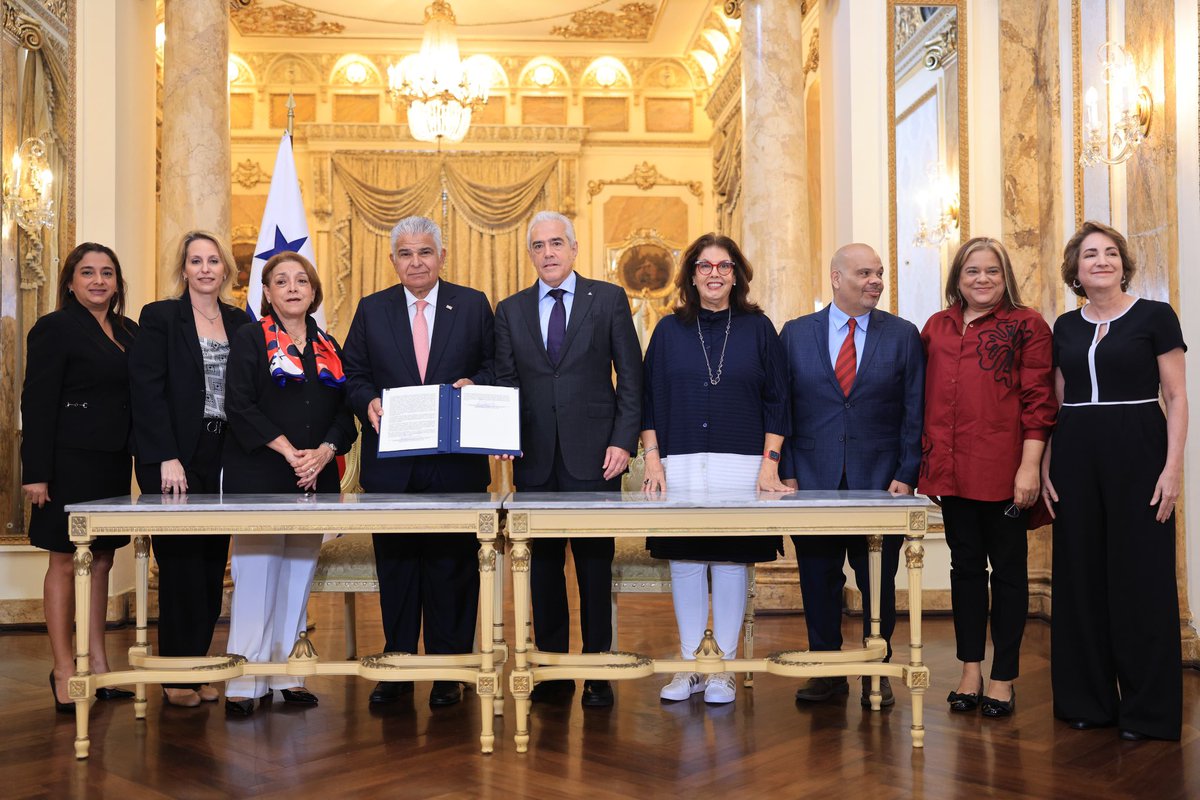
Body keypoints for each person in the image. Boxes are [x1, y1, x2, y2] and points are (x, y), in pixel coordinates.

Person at [1042, 221, 1187, 741]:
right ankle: (1087, 702)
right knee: (1079, 576)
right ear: (1075, 271)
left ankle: (1148, 712)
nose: (1100, 261)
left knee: (1141, 577)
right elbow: (1056, 403)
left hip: (1139, 449)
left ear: (1123, 264)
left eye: (1109, 253)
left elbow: (1176, 398)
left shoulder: (1155, 316)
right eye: (1089, 255)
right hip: (1076, 454)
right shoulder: (1064, 325)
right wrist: (1043, 465)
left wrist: (1172, 470)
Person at [342, 216, 495, 709]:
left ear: (442, 257)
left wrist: (477, 385)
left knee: (453, 567)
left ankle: (450, 669)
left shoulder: (472, 305)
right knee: (399, 567)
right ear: (393, 261)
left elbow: (495, 364)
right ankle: (399, 666)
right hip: (394, 465)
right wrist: (367, 401)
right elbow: (353, 373)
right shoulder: (372, 309)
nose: (416, 262)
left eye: (425, 252)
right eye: (405, 254)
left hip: (456, 463)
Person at [494, 210, 642, 708]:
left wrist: (623, 442)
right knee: (543, 570)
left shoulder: (609, 300)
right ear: (531, 254)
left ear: (575, 249)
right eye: (539, 246)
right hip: (534, 460)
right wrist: (499, 432)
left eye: (557, 243)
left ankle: (598, 669)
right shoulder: (510, 310)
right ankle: (553, 671)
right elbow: (507, 385)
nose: (549, 253)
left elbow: (632, 378)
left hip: (597, 458)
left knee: (594, 569)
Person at [640, 233, 791, 705]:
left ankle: (721, 668)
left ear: (736, 275)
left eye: (723, 266)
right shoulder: (668, 331)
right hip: (680, 463)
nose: (714, 274)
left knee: (729, 562)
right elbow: (649, 400)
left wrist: (770, 466)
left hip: (741, 465)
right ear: (691, 275)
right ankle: (689, 665)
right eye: (704, 266)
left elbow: (778, 400)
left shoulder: (758, 328)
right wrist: (652, 460)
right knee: (685, 561)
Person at [779, 243, 924, 708]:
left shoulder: (903, 335)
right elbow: (782, 407)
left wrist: (907, 471)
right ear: (836, 278)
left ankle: (875, 672)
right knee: (817, 577)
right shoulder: (796, 333)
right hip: (812, 478)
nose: (875, 281)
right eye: (864, 273)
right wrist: (785, 471)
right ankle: (827, 671)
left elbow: (914, 409)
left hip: (881, 481)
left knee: (877, 581)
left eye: (879, 273)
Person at [919, 237, 1056, 718]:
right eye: (972, 271)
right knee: (966, 571)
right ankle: (970, 671)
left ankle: (1004, 677)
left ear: (1005, 277)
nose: (982, 279)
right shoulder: (936, 327)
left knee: (1011, 574)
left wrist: (1029, 466)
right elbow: (923, 396)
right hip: (950, 470)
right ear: (958, 278)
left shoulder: (1028, 325)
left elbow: (1039, 401)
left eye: (992, 271)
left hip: (1005, 470)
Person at [221, 252, 356, 716]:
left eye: (302, 280)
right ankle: (244, 683)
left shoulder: (330, 345)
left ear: (314, 291)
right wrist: (286, 449)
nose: (293, 287)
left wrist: (324, 451)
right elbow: (237, 404)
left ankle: (289, 675)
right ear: (267, 292)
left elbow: (345, 415)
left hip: (314, 476)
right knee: (257, 575)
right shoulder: (249, 338)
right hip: (260, 472)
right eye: (282, 281)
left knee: (298, 576)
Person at [129, 230, 250, 708]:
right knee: (179, 566)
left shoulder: (242, 322)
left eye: (213, 261)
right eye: (195, 261)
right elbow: (146, 390)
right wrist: (164, 456)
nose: (204, 269)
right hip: (175, 456)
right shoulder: (159, 317)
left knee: (208, 566)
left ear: (225, 270)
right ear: (183, 269)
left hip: (225, 455)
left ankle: (198, 668)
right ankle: (176, 678)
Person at [21, 242, 139, 712]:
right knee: (65, 561)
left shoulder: (129, 331)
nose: (98, 280)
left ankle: (99, 663)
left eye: (106, 272)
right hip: (66, 463)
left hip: (111, 462)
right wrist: (36, 473)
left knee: (103, 560)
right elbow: (37, 402)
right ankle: (65, 668)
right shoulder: (53, 328)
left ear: (117, 282)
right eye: (87, 272)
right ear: (69, 282)